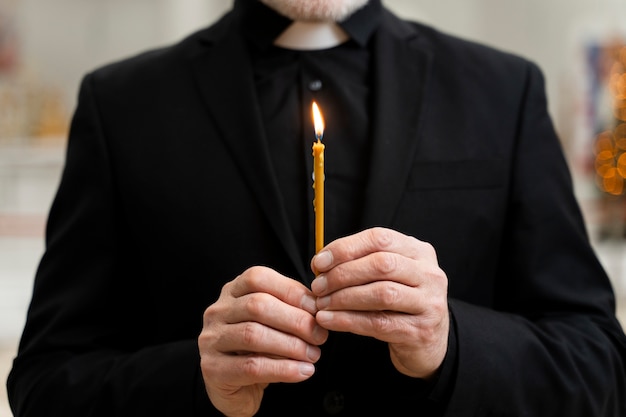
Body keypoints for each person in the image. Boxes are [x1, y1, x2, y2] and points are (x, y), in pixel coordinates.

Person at [7, 0, 626, 415]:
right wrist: (200, 383)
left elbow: (601, 368)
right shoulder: (122, 104)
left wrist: (452, 342)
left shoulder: (502, 89)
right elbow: (44, 384)